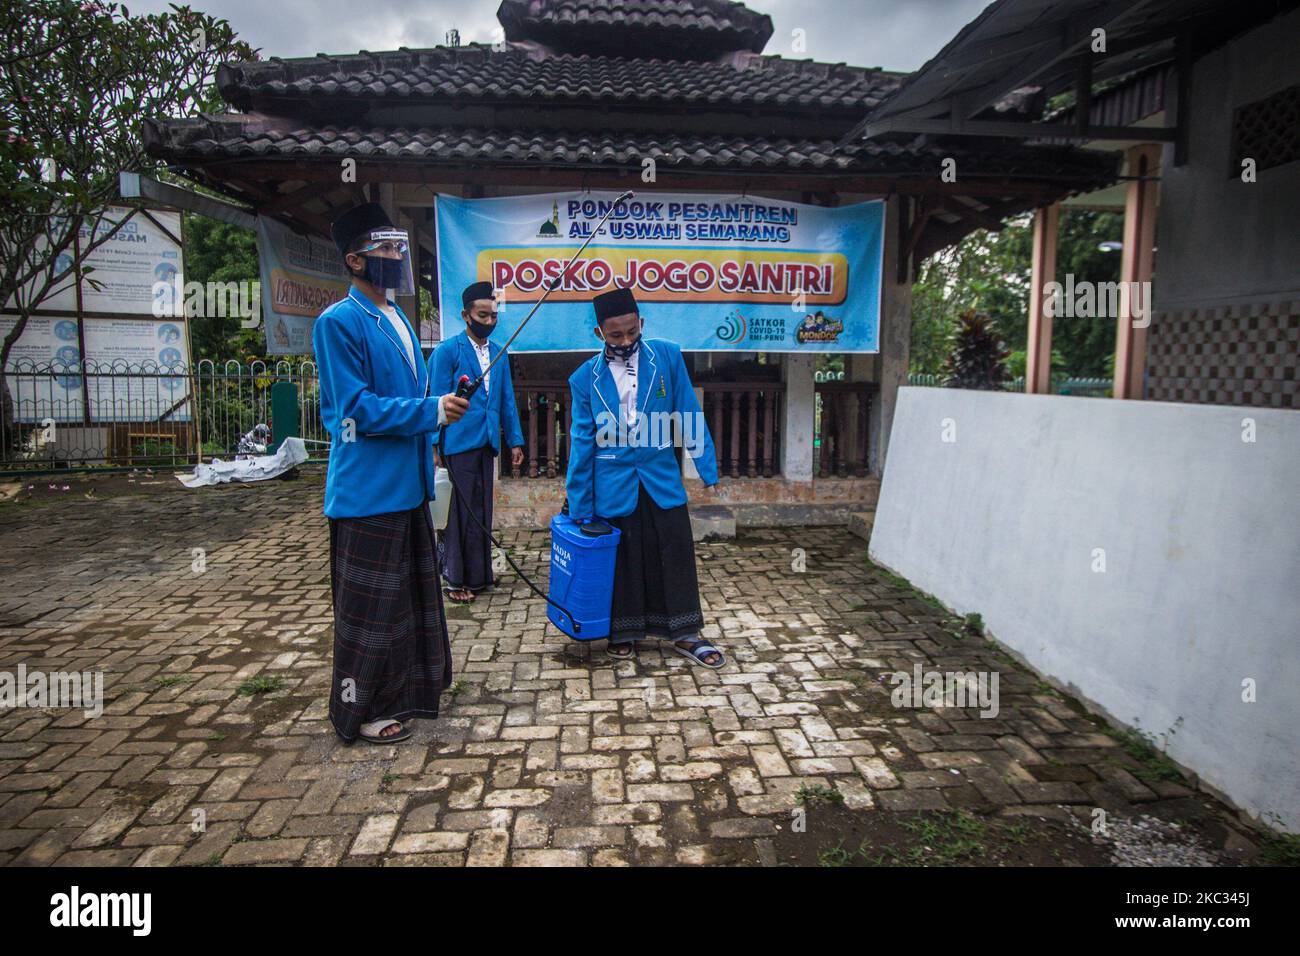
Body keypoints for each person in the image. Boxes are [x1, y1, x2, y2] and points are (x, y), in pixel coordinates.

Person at [313, 201, 469, 744]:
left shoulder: (399, 317)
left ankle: (408, 695)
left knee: (406, 603)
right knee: (369, 612)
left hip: (407, 488)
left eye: (399, 248)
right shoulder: (338, 322)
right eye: (385, 250)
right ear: (356, 261)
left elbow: (409, 397)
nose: (397, 257)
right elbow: (351, 410)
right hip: (366, 493)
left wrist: (437, 413)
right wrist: (430, 411)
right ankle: (361, 710)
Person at [565, 287, 726, 667]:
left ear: (642, 324)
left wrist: (707, 469)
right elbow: (581, 442)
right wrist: (580, 505)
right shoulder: (584, 378)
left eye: (631, 333)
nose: (625, 341)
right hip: (612, 483)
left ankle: (685, 633)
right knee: (623, 559)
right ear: (599, 334)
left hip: (659, 477)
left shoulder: (667, 356)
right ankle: (624, 632)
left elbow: (687, 412)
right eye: (615, 335)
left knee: (674, 551)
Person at [428, 281, 525, 603]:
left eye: (494, 315)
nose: (490, 321)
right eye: (483, 315)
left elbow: (507, 400)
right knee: (458, 513)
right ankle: (455, 579)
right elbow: (434, 400)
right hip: (456, 442)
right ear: (465, 315)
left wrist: (515, 441)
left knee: (481, 511)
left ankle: (480, 574)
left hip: (485, 442)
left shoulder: (499, 352)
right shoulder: (448, 351)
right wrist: (434, 445)